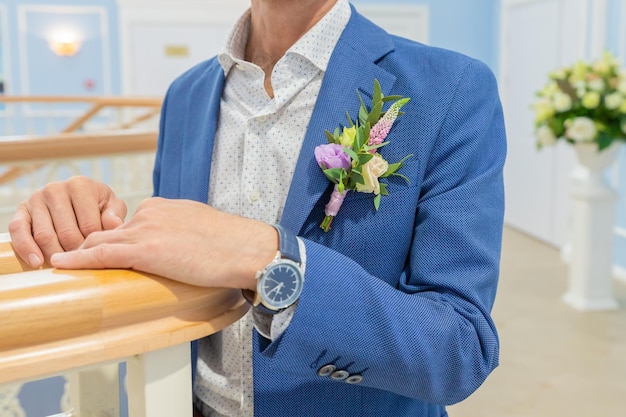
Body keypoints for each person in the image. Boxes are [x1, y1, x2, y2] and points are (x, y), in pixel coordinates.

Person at [9, 0, 507, 416]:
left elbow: (458, 348)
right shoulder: (186, 95)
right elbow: (183, 259)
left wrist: (270, 257)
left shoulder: (450, 89)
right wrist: (97, 221)